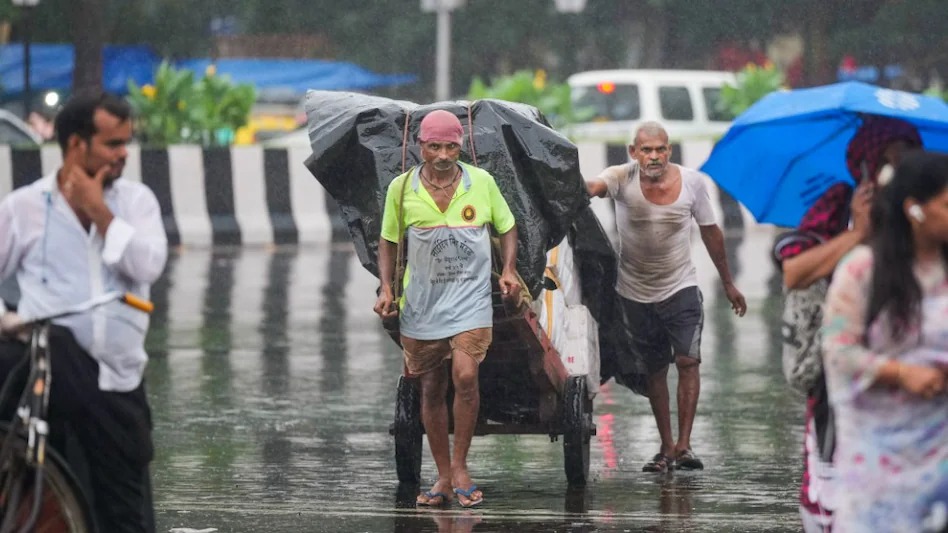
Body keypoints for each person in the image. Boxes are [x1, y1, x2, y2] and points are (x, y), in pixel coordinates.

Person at [0, 91, 168, 532]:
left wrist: (100, 211)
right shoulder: (25, 208)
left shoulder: (136, 202)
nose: (122, 155)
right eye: (113, 144)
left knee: (123, 513)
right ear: (76, 144)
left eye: (126, 143)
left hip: (118, 380)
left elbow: (148, 265)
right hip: (46, 381)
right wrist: (5, 318)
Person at [775, 116, 922, 532]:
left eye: (906, 158)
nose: (895, 170)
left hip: (911, 375)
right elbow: (794, 273)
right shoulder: (837, 204)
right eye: (886, 160)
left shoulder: (928, 211)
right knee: (836, 492)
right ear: (864, 165)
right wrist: (857, 233)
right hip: (841, 380)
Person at [373, 110, 521, 507]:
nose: (442, 155)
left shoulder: (482, 183)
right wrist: (386, 287)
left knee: (466, 374)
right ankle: (441, 475)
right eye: (434, 146)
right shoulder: (401, 189)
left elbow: (507, 227)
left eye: (450, 146)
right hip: (421, 302)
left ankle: (460, 466)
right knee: (432, 386)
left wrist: (508, 270)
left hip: (471, 299)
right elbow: (387, 240)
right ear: (419, 146)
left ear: (460, 146)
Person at [586, 121, 746, 473]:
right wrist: (570, 184)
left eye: (660, 149)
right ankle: (666, 446)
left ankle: (685, 445)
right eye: (646, 150)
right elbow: (594, 187)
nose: (654, 156)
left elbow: (711, 232)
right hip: (634, 292)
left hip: (681, 287)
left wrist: (729, 283)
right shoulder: (622, 177)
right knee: (655, 370)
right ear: (634, 153)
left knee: (688, 361)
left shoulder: (691, 182)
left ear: (669, 151)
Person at [821, 150, 948, 532]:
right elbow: (839, 351)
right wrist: (899, 373)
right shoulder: (862, 269)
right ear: (915, 209)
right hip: (877, 452)